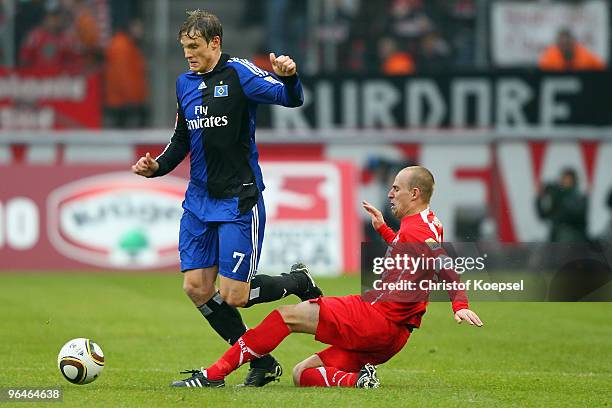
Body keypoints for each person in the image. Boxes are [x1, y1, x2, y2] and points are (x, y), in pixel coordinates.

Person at [131, 10, 321, 387]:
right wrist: (157, 167)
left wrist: (290, 76)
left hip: (238, 201)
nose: (188, 54)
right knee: (196, 288)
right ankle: (262, 360)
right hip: (199, 203)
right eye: (184, 47)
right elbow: (181, 139)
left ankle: (297, 281)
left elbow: (290, 98)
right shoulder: (184, 83)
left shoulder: (240, 73)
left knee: (234, 295)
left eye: (195, 46)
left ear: (215, 43)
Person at [170, 166, 483, 388]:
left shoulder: (418, 229)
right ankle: (358, 380)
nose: (390, 194)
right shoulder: (429, 222)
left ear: (414, 193)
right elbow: (417, 258)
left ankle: (214, 374)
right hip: (391, 338)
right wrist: (385, 231)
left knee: (286, 317)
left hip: (376, 319)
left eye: (396, 189)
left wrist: (460, 305)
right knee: (302, 374)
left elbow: (444, 265)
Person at [536, 167, 588, 242]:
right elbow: (543, 215)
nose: (566, 182)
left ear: (574, 181)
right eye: (564, 179)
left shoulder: (579, 198)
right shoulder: (557, 196)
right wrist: (540, 198)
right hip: (555, 237)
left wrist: (557, 194)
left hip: (573, 237)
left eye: (569, 179)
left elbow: (571, 216)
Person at [538, 28, 606, 71]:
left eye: (568, 42)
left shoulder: (586, 55)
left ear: (573, 42)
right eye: (562, 43)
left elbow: (602, 69)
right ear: (557, 43)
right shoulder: (549, 56)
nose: (565, 46)